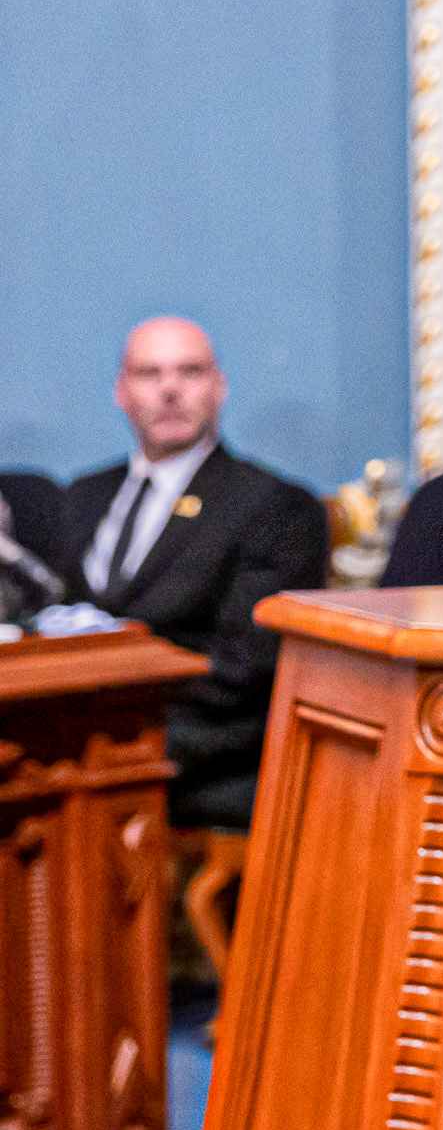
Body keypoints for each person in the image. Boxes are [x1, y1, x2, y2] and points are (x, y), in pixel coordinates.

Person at [58, 318, 330, 829]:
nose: (170, 389)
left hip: (202, 734)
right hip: (80, 721)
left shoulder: (275, 506)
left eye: (190, 371)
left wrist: (117, 694)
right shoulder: (83, 497)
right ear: (121, 391)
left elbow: (247, 668)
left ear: (218, 387)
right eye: (149, 373)